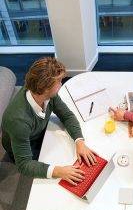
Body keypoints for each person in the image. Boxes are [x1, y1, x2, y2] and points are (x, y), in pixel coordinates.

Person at [1, 57, 97, 186]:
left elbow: (67, 115)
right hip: (24, 148)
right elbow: (24, 165)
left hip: (39, 133)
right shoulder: (18, 121)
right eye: (58, 82)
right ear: (45, 88)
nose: (61, 84)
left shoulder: (46, 94)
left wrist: (79, 141)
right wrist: (59, 171)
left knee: (67, 155)